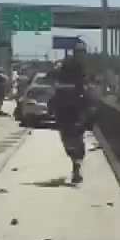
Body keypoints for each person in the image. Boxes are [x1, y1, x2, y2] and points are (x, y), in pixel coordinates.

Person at [48, 42, 90, 184]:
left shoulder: (87, 67)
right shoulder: (66, 65)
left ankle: (77, 166)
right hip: (64, 107)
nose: (82, 54)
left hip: (78, 108)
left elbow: (87, 89)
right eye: (79, 51)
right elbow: (55, 81)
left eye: (83, 51)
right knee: (67, 139)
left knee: (78, 137)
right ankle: (75, 163)